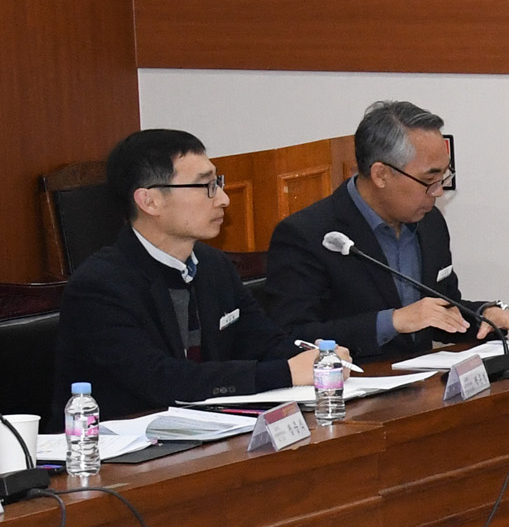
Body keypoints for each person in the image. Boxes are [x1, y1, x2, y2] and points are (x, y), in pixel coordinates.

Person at [52, 129, 331, 417]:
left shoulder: (213, 266)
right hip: (114, 449)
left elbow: (264, 341)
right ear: (149, 201)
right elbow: (161, 380)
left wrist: (316, 357)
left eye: (217, 182)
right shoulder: (99, 286)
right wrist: (284, 373)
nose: (223, 198)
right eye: (206, 186)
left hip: (204, 434)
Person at [264, 100, 509, 365]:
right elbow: (292, 338)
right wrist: (392, 321)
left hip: (421, 390)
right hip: (352, 391)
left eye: (444, 177)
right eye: (429, 180)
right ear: (381, 174)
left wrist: (484, 315)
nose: (439, 191)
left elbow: (440, 311)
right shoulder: (307, 235)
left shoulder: (430, 224)